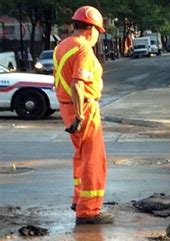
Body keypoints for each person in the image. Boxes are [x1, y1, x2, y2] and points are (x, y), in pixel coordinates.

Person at [53, 6, 113, 224]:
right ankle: (89, 211)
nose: (98, 36)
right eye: (99, 31)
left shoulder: (62, 46)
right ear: (92, 29)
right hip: (83, 108)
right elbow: (78, 84)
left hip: (67, 106)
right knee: (94, 159)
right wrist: (80, 115)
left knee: (80, 155)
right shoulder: (83, 48)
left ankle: (79, 200)